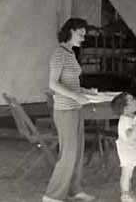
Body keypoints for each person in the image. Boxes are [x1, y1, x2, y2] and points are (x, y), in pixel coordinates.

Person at [43, 18, 97, 202]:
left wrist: (87, 91)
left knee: (77, 152)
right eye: (80, 33)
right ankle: (52, 196)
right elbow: (52, 83)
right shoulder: (59, 53)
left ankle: (74, 190)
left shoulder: (70, 53)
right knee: (68, 154)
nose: (83, 37)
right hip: (65, 110)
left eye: (84, 34)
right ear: (70, 31)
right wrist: (77, 96)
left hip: (75, 109)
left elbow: (71, 83)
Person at [111, 92, 136, 202]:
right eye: (132, 100)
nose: (135, 101)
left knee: (129, 172)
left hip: (131, 149)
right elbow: (130, 137)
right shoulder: (125, 121)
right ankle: (125, 195)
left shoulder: (131, 117)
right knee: (126, 172)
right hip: (127, 150)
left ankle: (128, 192)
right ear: (126, 108)